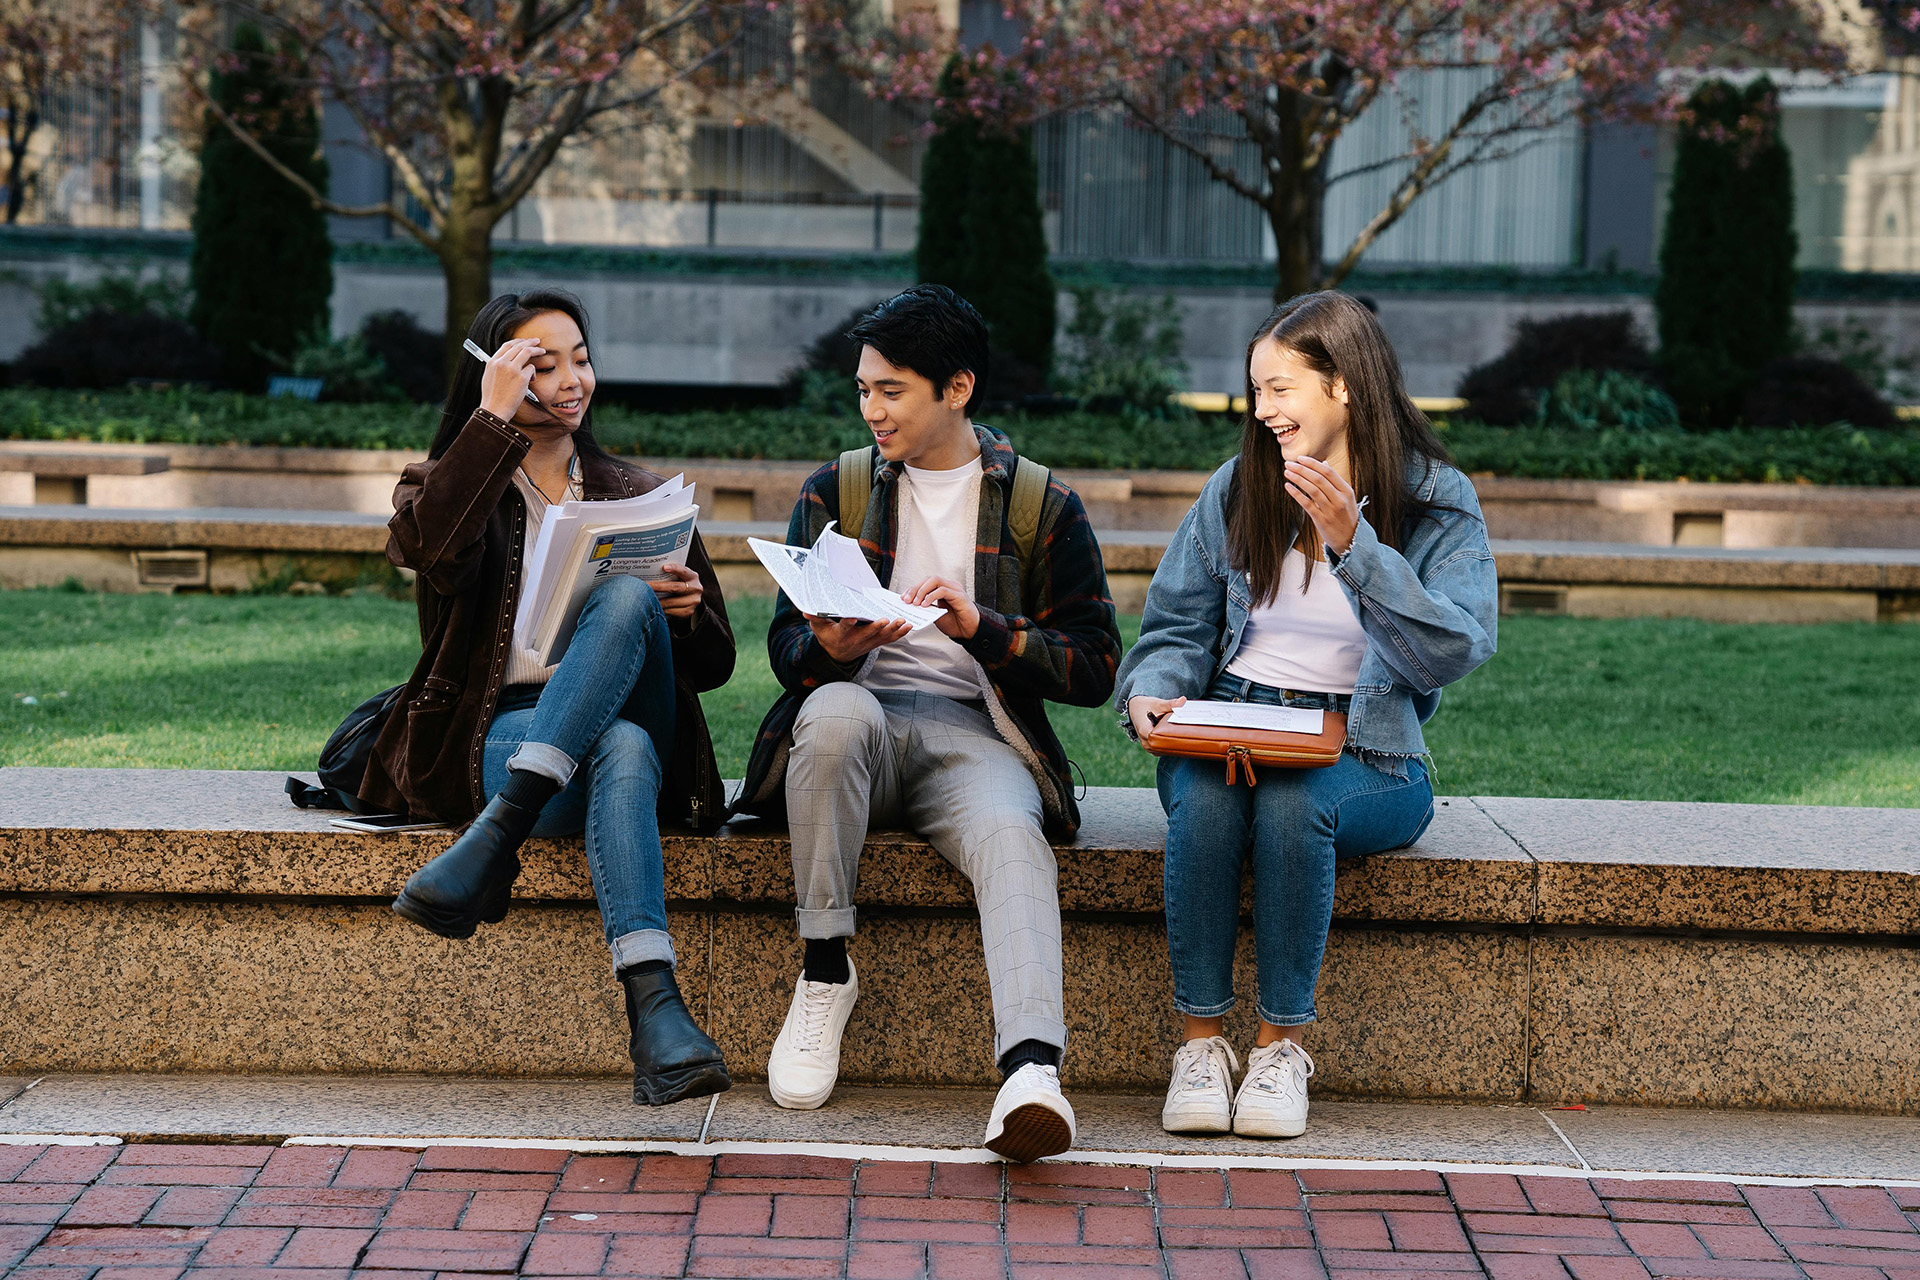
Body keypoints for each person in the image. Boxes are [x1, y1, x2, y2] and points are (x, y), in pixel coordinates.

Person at [731, 285, 1122, 1163]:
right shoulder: (839, 485)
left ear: (958, 388)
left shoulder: (1039, 504)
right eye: (864, 388)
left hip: (973, 734)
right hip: (857, 718)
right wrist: (831, 645)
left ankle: (1031, 1072)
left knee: (1012, 838)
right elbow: (784, 651)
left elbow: (1097, 665)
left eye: (892, 389)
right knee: (828, 712)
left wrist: (985, 628)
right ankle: (826, 971)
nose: (872, 409)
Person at [1115, 291, 1497, 1139]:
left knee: (1295, 805)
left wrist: (1354, 547)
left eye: (1281, 388)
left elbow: (1455, 649)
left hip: (1365, 750)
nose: (1264, 410)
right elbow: (1176, 624)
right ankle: (1201, 1047)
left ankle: (1281, 1050)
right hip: (1229, 721)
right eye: (1257, 389)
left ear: (1345, 385)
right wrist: (1153, 689)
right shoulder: (1241, 484)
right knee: (1210, 805)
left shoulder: (1436, 501)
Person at [362, 289, 737, 1107]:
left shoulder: (635, 490)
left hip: (623, 712)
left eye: (582, 357)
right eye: (543, 363)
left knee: (632, 603)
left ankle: (496, 842)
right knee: (624, 749)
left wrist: (684, 616)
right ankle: (657, 1011)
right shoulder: (446, 486)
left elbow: (714, 666)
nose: (574, 380)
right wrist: (489, 428)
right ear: (497, 376)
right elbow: (429, 554)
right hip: (498, 733)